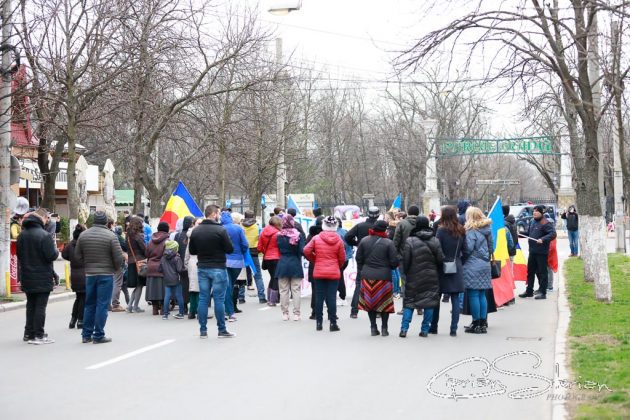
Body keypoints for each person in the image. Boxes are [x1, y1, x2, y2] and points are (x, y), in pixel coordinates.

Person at [75, 211, 125, 344]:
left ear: (93, 221)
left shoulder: (83, 235)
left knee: (89, 305)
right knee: (102, 305)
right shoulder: (111, 236)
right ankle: (98, 335)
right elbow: (118, 258)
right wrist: (114, 268)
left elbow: (77, 256)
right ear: (106, 222)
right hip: (106, 275)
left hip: (90, 275)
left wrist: (87, 265)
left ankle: (86, 335)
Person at [189, 205, 235, 338]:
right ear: (214, 214)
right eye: (218, 213)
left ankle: (203, 331)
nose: (219, 216)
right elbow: (230, 249)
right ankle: (221, 329)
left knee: (203, 299)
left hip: (202, 267)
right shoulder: (220, 230)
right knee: (219, 299)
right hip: (218, 267)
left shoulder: (196, 231)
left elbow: (192, 251)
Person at [17, 209, 59, 344]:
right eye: (47, 218)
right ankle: (39, 335)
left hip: (27, 275)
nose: (48, 221)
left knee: (31, 305)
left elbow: (19, 255)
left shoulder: (22, 235)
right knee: (40, 306)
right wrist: (56, 250)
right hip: (42, 276)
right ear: (42, 219)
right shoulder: (44, 235)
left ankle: (28, 333)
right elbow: (51, 255)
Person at [399, 216, 444, 338]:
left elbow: (406, 261)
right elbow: (440, 260)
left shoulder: (410, 241)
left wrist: (407, 273)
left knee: (409, 302)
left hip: (413, 276)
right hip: (431, 276)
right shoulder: (435, 240)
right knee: (429, 302)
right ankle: (424, 330)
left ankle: (404, 329)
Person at [355, 220, 398, 336]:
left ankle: (373, 328)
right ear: (385, 230)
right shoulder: (389, 243)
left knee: (370, 303)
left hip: (367, 276)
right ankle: (384, 329)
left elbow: (358, 258)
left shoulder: (364, 240)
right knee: (385, 303)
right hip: (384, 277)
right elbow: (394, 262)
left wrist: (363, 269)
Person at [303, 216, 345, 332]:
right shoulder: (339, 240)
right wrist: (337, 265)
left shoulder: (316, 238)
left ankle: (319, 323)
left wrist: (315, 259)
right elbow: (342, 258)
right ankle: (333, 323)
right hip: (333, 271)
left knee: (319, 297)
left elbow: (306, 250)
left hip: (319, 270)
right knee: (331, 297)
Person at [432, 206, 466, 336]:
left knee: (437, 298)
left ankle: (433, 327)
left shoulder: (441, 230)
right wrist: (459, 262)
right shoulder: (461, 230)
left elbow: (437, 248)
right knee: (455, 298)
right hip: (456, 264)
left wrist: (438, 261)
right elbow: (466, 250)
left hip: (442, 266)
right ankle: (453, 329)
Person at [462, 207, 493, 334]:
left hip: (472, 264)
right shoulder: (487, 230)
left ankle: (476, 323)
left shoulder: (471, 231)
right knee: (482, 294)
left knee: (473, 294)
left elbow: (468, 249)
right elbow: (491, 248)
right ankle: (483, 323)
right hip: (485, 264)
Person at [345, 206, 380, 318]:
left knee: (359, 284)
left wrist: (356, 243)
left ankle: (354, 311)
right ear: (378, 215)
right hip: (377, 257)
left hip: (362, 256)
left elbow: (347, 236)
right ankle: (377, 310)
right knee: (377, 284)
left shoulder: (360, 226)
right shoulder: (380, 227)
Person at [519, 205, 556, 300]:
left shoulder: (545, 222)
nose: (534, 213)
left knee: (542, 273)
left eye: (536, 211)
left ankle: (543, 292)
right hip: (532, 251)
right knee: (530, 272)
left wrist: (543, 239)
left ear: (541, 213)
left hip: (541, 252)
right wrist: (520, 234)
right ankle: (529, 291)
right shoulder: (532, 221)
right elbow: (529, 234)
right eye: (533, 211)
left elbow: (553, 234)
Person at [275, 214, 305, 321]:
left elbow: (278, 248)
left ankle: (285, 313)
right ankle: (296, 314)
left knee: (283, 290)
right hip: (295, 263)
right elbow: (302, 250)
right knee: (296, 290)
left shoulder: (279, 235)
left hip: (282, 263)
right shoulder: (298, 235)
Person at [222, 211, 249, 320]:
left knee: (227, 286)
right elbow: (245, 244)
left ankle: (228, 311)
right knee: (230, 285)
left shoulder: (220, 228)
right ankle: (229, 310)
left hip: (224, 260)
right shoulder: (238, 228)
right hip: (237, 261)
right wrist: (242, 252)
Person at [62, 224, 87, 329]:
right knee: (83, 298)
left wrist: (72, 259)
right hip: (84, 274)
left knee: (78, 297)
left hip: (74, 275)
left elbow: (64, 255)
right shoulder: (84, 245)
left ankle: (73, 320)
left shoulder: (70, 245)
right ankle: (80, 320)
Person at [241, 211, 267, 303]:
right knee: (257, 275)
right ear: (253, 217)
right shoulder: (257, 227)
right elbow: (261, 239)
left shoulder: (241, 227)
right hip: (254, 252)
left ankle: (241, 297)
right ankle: (261, 296)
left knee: (242, 275)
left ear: (245, 216)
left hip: (243, 253)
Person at [145, 222, 170, 315]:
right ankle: (163, 309)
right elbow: (168, 255)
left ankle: (154, 309)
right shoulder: (167, 241)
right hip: (162, 267)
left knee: (153, 289)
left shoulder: (151, 241)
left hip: (151, 266)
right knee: (163, 289)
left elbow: (146, 254)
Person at [258, 216, 282, 306]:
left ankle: (269, 298)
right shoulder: (278, 234)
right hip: (277, 258)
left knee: (272, 277)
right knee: (276, 278)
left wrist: (266, 252)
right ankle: (273, 300)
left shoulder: (263, 232)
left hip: (267, 258)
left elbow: (259, 247)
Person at [126, 216, 147, 313]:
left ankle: (130, 306)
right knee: (140, 285)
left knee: (137, 285)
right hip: (139, 262)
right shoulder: (138, 236)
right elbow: (144, 249)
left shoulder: (128, 235)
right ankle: (134, 306)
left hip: (131, 261)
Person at [160, 240, 185, 319]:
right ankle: (181, 313)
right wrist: (185, 269)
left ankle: (165, 314)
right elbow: (179, 269)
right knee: (179, 296)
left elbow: (160, 269)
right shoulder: (177, 258)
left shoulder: (163, 258)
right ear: (175, 248)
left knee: (167, 296)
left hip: (167, 279)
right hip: (176, 279)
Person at [174, 216, 194, 314]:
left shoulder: (178, 235)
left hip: (181, 265)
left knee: (183, 286)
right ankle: (193, 307)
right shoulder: (192, 234)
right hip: (191, 263)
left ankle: (184, 307)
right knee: (193, 286)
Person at [305, 216, 324, 318]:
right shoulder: (330, 235)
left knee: (315, 290)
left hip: (314, 265)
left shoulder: (311, 235)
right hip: (327, 265)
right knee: (329, 290)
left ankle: (315, 312)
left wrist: (312, 259)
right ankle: (331, 314)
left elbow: (306, 250)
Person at [184, 218, 202, 319]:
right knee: (198, 288)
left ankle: (192, 311)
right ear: (194, 224)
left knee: (193, 287)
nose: (200, 225)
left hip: (193, 261)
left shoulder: (191, 235)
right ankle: (198, 311)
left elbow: (187, 250)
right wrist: (186, 263)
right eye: (198, 223)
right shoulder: (197, 234)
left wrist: (186, 263)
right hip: (196, 260)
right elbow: (188, 250)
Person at [335, 217, 352, 305]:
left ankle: (342, 296)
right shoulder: (344, 231)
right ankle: (341, 296)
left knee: (338, 277)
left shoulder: (337, 233)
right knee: (339, 276)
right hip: (345, 258)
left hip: (339, 259)